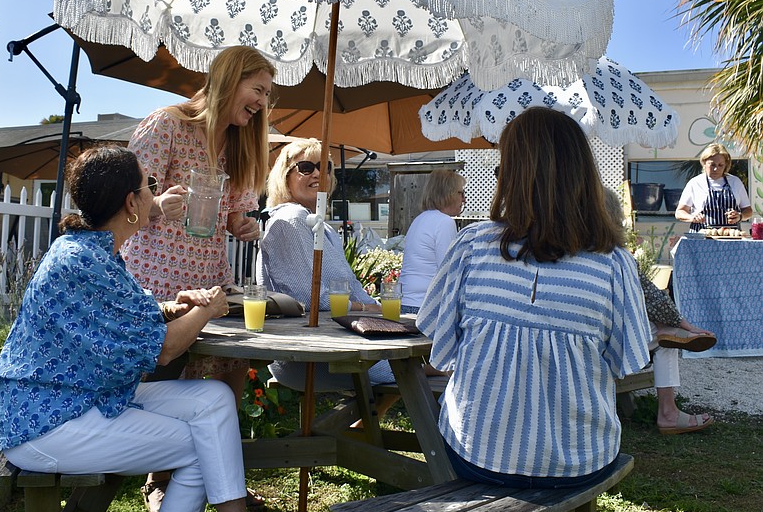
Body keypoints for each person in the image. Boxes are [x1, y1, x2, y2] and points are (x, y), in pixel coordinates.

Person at [0, 146, 247, 512]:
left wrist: (173, 306)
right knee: (201, 447)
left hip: (79, 396)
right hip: (47, 422)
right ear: (131, 202)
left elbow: (122, 313)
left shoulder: (89, 250)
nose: (154, 193)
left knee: (214, 398)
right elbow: (165, 349)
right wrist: (207, 309)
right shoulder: (86, 260)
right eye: (149, 185)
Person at [417, 107, 652, 488]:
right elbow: (626, 361)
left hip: (477, 452)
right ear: (583, 175)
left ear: (513, 175)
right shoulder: (613, 265)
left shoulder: (472, 246)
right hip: (580, 459)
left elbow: (440, 347)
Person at [120, 46, 274, 512]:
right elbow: (123, 198)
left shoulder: (239, 143)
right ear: (230, 79)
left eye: (267, 95)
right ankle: (159, 477)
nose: (263, 102)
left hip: (209, 277)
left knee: (226, 370)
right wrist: (154, 205)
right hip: (156, 276)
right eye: (258, 90)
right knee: (163, 376)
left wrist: (242, 225)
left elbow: (234, 214)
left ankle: (218, 472)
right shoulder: (166, 124)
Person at [255, 139, 396, 391]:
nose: (318, 174)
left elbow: (352, 286)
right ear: (284, 177)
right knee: (423, 367)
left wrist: (379, 309)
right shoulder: (290, 219)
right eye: (306, 167)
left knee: (424, 361)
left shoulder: (324, 228)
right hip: (307, 352)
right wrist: (366, 308)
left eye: (325, 168)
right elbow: (306, 298)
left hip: (340, 340)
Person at [604, 188, 716, 434]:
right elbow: (652, 297)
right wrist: (684, 324)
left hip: (578, 339)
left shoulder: (562, 253)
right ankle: (668, 412)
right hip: (610, 344)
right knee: (667, 339)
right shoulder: (618, 258)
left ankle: (668, 330)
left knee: (662, 331)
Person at [400, 169, 466, 313]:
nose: (464, 199)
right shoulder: (444, 222)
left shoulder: (421, 219)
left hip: (407, 302)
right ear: (448, 194)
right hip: (426, 306)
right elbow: (449, 272)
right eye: (461, 193)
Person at [675, 142, 752, 231]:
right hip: (701, 235)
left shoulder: (735, 182)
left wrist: (740, 216)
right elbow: (679, 212)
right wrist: (692, 217)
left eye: (720, 165)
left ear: (726, 165)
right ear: (704, 163)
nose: (716, 169)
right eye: (712, 165)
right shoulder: (695, 183)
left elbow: (748, 210)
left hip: (730, 235)